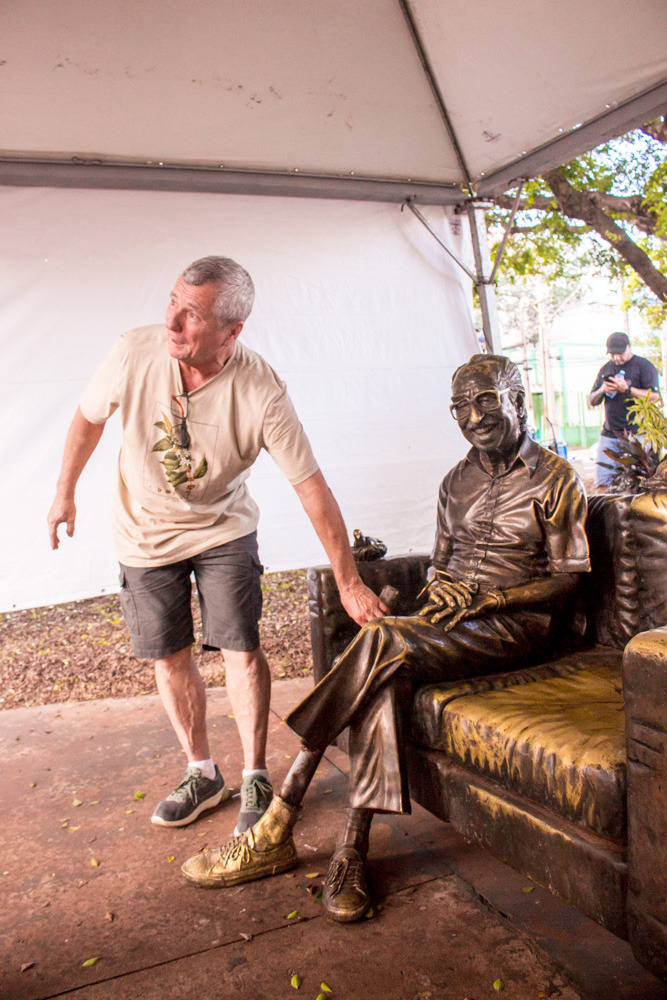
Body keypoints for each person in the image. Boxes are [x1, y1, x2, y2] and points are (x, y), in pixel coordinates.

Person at [181, 354, 591, 922]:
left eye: (488, 400)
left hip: (518, 627)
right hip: (455, 622)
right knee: (382, 676)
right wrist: (447, 588)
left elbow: (568, 582)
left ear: (518, 399)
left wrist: (491, 599)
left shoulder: (556, 477)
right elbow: (441, 565)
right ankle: (351, 848)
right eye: (461, 407)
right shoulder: (455, 481)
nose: (475, 417)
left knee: (380, 645)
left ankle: (281, 816)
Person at [47, 256, 386, 835]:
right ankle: (201, 771)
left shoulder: (262, 391)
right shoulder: (135, 351)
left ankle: (255, 774)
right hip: (144, 530)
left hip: (223, 527)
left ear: (233, 331)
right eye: (172, 303)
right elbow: (87, 419)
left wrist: (350, 581)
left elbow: (312, 488)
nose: (173, 323)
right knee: (168, 653)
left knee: (240, 645)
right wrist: (64, 492)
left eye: (193, 315)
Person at [588, 332, 660, 492]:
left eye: (619, 353)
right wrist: (602, 389)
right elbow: (592, 400)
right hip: (610, 434)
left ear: (629, 347)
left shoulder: (644, 366)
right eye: (612, 354)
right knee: (602, 482)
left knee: (645, 482)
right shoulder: (605, 369)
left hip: (638, 434)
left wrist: (627, 390)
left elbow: (655, 397)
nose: (616, 358)